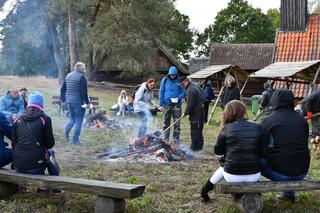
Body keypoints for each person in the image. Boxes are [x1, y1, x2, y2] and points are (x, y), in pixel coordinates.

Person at [200, 100, 263, 203]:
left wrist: (224, 159)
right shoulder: (258, 127)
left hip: (232, 176)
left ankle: (205, 191)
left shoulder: (227, 128)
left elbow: (217, 150)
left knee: (223, 167)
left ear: (228, 113)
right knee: (229, 164)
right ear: (243, 111)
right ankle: (253, 191)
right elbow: (262, 149)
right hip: (254, 176)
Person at [260, 89, 310, 203]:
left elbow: (260, 146)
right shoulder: (302, 120)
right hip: (302, 171)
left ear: (274, 100)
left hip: (280, 174)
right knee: (290, 154)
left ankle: (251, 191)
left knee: (254, 158)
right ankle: (288, 194)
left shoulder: (268, 120)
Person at [12, 91, 55, 175]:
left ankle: (18, 187)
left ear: (29, 103)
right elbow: (50, 144)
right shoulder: (45, 119)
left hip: (18, 165)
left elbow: (14, 144)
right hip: (37, 166)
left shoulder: (17, 120)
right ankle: (43, 187)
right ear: (41, 104)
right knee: (51, 151)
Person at [60, 62, 91, 144]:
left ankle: (67, 130)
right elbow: (84, 93)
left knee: (72, 119)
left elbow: (62, 89)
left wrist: (63, 100)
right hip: (79, 103)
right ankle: (75, 140)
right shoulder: (82, 77)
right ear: (80, 69)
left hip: (69, 102)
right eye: (84, 68)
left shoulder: (68, 76)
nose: (84, 70)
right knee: (79, 121)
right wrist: (87, 103)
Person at [159, 66, 185, 144]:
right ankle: (165, 139)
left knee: (177, 122)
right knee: (166, 122)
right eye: (171, 75)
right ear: (169, 74)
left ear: (176, 74)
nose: (172, 76)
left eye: (174, 75)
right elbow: (161, 91)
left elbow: (184, 91)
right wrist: (161, 104)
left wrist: (178, 98)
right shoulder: (165, 80)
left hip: (177, 105)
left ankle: (176, 140)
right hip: (167, 104)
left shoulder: (179, 81)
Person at [181, 78, 205, 151]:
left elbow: (190, 104)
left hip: (196, 112)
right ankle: (199, 146)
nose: (182, 86)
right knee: (199, 129)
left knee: (195, 130)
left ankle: (195, 147)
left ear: (186, 81)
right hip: (200, 110)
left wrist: (185, 112)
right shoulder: (196, 85)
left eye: (182, 84)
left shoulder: (190, 90)